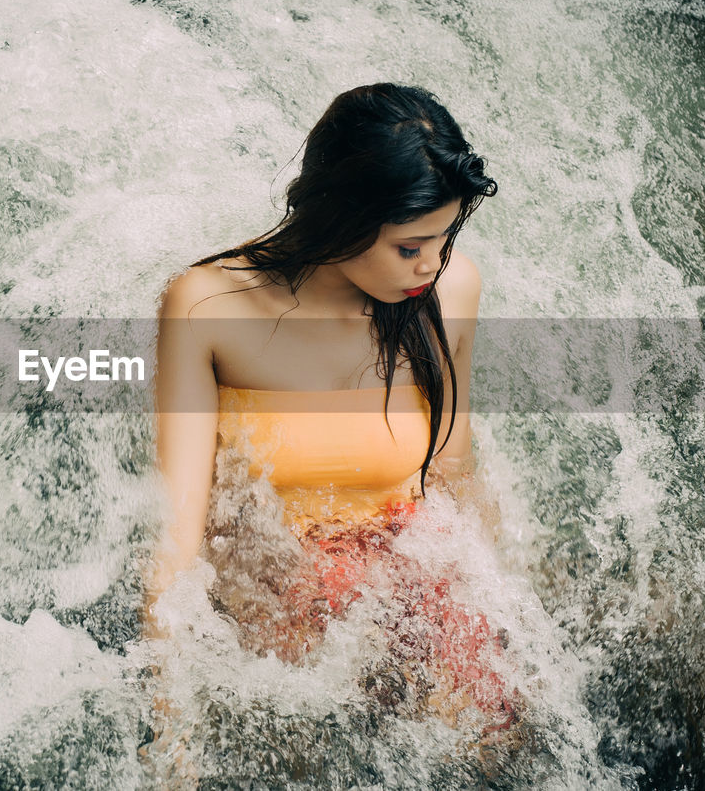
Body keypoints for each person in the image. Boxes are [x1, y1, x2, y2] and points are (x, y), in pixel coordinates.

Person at [141, 83, 512, 782]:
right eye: (411, 246)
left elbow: (454, 471)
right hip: (284, 580)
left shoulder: (449, 291)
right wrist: (169, 730)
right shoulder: (210, 306)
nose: (431, 266)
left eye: (446, 237)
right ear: (343, 218)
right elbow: (177, 540)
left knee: (489, 748)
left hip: (412, 561)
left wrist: (510, 609)